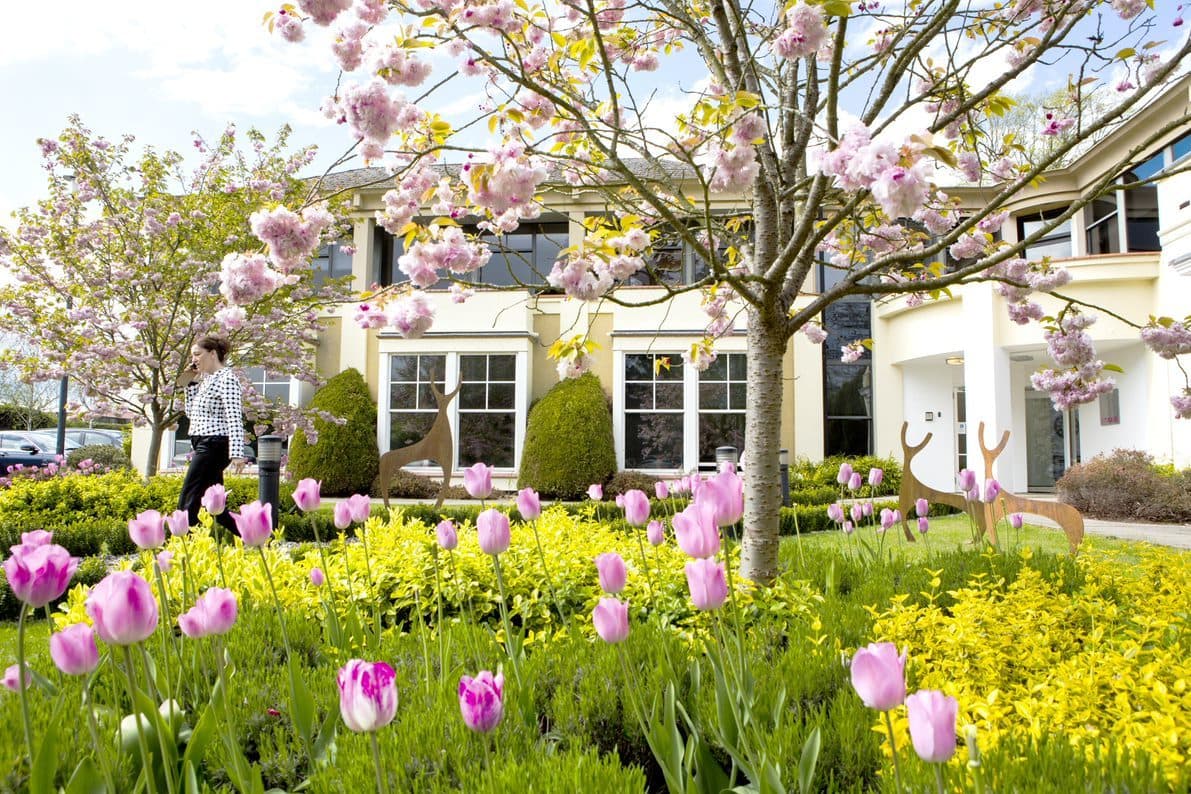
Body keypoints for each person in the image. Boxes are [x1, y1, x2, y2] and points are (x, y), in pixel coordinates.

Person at [177, 334, 246, 533]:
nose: (194, 359)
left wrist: (237, 454)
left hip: (214, 445)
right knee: (215, 506)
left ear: (213, 354)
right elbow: (191, 413)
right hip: (203, 443)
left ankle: (182, 541)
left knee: (189, 498)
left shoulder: (227, 379)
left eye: (198, 354)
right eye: (193, 355)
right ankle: (255, 535)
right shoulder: (206, 381)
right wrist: (190, 383)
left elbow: (234, 417)